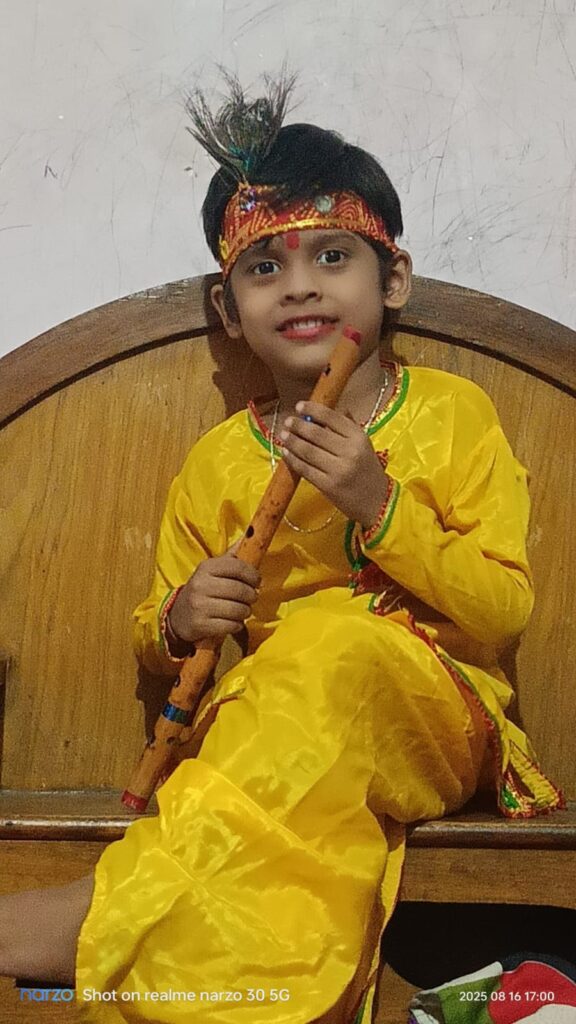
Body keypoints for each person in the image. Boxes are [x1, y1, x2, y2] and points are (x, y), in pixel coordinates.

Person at [0, 70, 564, 1023]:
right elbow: (155, 634)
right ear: (229, 310)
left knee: (329, 644)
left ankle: (99, 918)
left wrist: (379, 503)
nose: (299, 284)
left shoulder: (453, 414)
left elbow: (502, 611)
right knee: (280, 695)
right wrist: (183, 620)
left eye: (331, 256)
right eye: (264, 268)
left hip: (439, 721)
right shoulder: (220, 460)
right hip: (264, 732)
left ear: (393, 280)